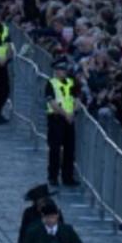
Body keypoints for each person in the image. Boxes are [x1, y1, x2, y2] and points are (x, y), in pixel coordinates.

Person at [46, 57, 80, 188]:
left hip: (69, 119)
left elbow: (77, 99)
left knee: (69, 149)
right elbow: (52, 103)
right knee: (55, 149)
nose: (64, 72)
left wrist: (73, 112)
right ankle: (53, 176)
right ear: (56, 71)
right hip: (56, 119)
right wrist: (66, 114)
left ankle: (68, 177)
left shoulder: (72, 82)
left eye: (65, 69)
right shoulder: (51, 83)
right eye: (61, 69)